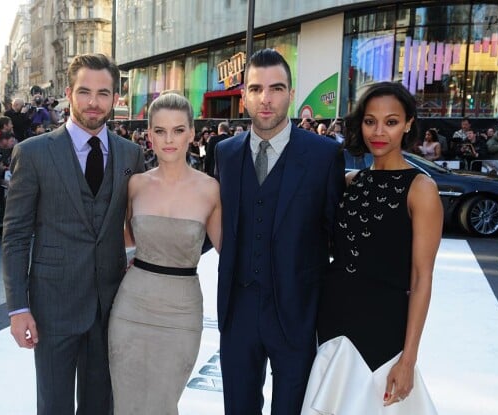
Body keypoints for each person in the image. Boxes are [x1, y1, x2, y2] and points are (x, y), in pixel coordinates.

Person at [1, 53, 145, 415]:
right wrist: (18, 308)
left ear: (115, 98)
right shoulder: (32, 153)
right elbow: (16, 236)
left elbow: (138, 225)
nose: (93, 102)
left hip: (111, 305)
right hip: (53, 307)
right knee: (55, 406)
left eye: (103, 93)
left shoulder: (132, 154)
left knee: (101, 406)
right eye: (84, 92)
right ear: (68, 93)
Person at [214, 48, 344, 414]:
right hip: (237, 311)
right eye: (255, 89)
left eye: (276, 88)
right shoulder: (224, 153)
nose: (265, 99)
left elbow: (337, 237)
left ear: (290, 93)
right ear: (243, 97)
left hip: (297, 313)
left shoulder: (323, 156)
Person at [305, 82, 442, 412]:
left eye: (391, 122)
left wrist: (408, 359)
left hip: (383, 334)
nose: (379, 131)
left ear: (408, 124)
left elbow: (422, 279)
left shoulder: (421, 189)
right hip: (332, 327)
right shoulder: (350, 182)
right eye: (370, 121)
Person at [108, 92, 221, 414]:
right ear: (149, 135)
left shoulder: (210, 189)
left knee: (162, 404)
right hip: (131, 309)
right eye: (160, 131)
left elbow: (232, 250)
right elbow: (126, 237)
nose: (169, 139)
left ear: (191, 133)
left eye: (177, 130)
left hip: (182, 313)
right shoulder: (136, 185)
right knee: (126, 405)